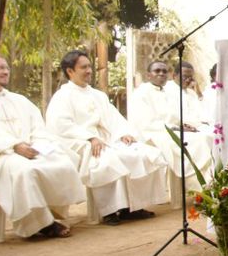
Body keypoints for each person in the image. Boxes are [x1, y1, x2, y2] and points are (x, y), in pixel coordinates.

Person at [0, 56, 85, 240]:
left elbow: (37, 128)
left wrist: (37, 145)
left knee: (62, 160)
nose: (6, 71)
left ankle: (54, 213)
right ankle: (39, 224)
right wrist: (13, 146)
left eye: (7, 67)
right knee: (24, 171)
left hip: (30, 149)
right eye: (0, 68)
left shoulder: (19, 100)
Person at [46, 50, 169, 225]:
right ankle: (111, 210)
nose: (89, 70)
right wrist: (90, 138)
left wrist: (124, 133)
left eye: (89, 66)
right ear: (70, 71)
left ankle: (133, 207)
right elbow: (61, 125)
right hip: (82, 142)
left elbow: (114, 119)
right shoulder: (62, 97)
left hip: (108, 139)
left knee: (141, 153)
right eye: (84, 67)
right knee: (109, 159)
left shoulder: (97, 95)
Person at [128, 60, 210, 204]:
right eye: (157, 71)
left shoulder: (165, 92)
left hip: (170, 130)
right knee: (197, 142)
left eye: (164, 71)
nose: (161, 74)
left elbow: (173, 116)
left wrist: (183, 125)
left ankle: (205, 186)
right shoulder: (141, 93)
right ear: (148, 75)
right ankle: (200, 189)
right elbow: (146, 122)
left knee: (202, 138)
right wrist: (175, 128)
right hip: (153, 133)